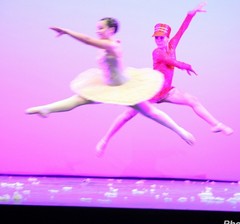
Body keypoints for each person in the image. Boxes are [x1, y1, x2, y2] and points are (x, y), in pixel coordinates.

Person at [26, 17, 196, 146]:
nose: (98, 31)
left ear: (111, 29)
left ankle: (180, 131)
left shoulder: (112, 46)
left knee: (150, 112)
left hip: (123, 87)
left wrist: (67, 31)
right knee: (78, 99)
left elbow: (87, 40)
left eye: (101, 28)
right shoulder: (110, 44)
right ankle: (46, 109)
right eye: (97, 28)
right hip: (106, 85)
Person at [96, 3, 233, 156]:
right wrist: (185, 65)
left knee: (193, 100)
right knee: (127, 115)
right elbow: (170, 62)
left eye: (162, 37)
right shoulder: (157, 52)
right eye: (157, 38)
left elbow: (182, 30)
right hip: (153, 91)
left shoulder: (172, 45)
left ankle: (216, 125)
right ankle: (105, 140)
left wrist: (190, 14)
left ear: (168, 37)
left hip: (167, 90)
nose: (159, 40)